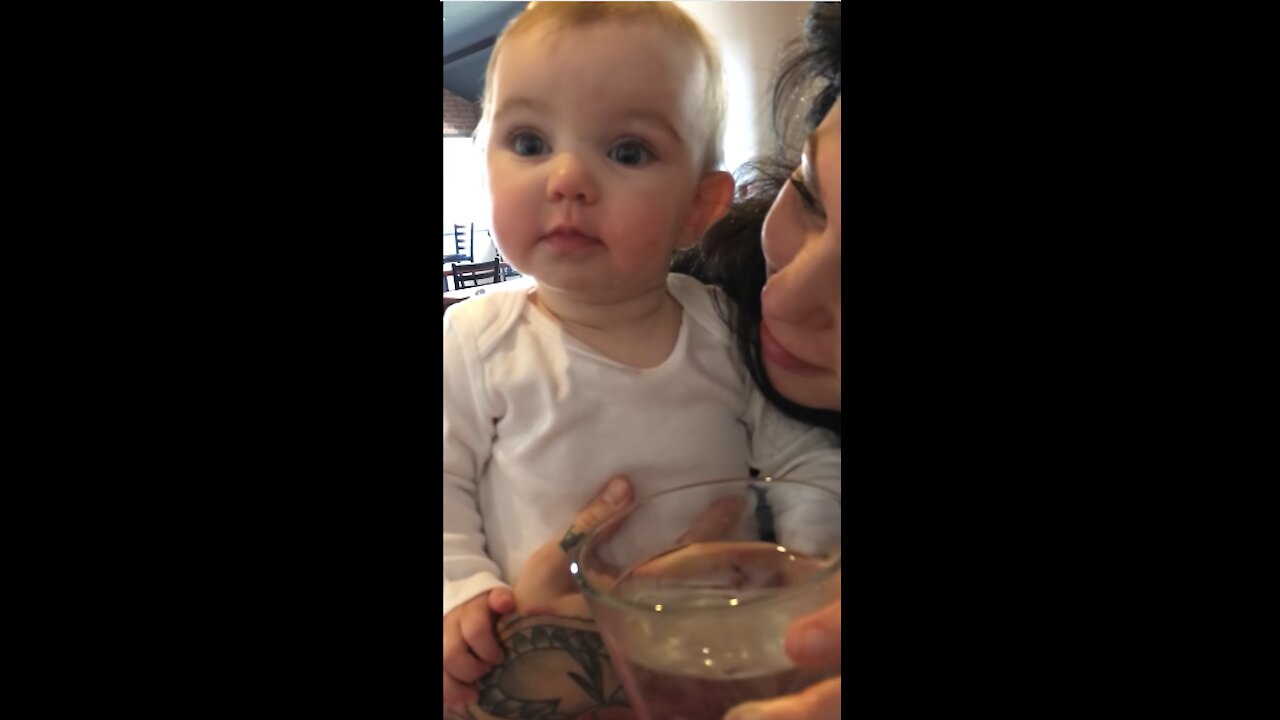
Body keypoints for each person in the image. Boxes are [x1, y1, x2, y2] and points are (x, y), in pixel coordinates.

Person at [442, 2, 842, 713]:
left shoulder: (721, 324)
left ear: (698, 205)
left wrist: (802, 574)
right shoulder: (474, 341)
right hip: (539, 658)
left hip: (717, 656)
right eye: (529, 142)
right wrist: (465, 595)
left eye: (627, 152)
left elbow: (806, 458)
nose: (566, 177)